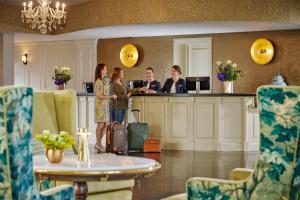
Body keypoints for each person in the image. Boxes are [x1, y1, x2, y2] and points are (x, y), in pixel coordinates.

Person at [94, 63, 117, 153]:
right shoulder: (98, 81)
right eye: (105, 69)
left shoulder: (104, 80)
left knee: (106, 125)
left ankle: (98, 143)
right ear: (101, 70)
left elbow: (106, 91)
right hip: (100, 106)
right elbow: (99, 95)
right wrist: (110, 97)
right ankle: (98, 143)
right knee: (100, 125)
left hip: (105, 105)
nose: (107, 71)